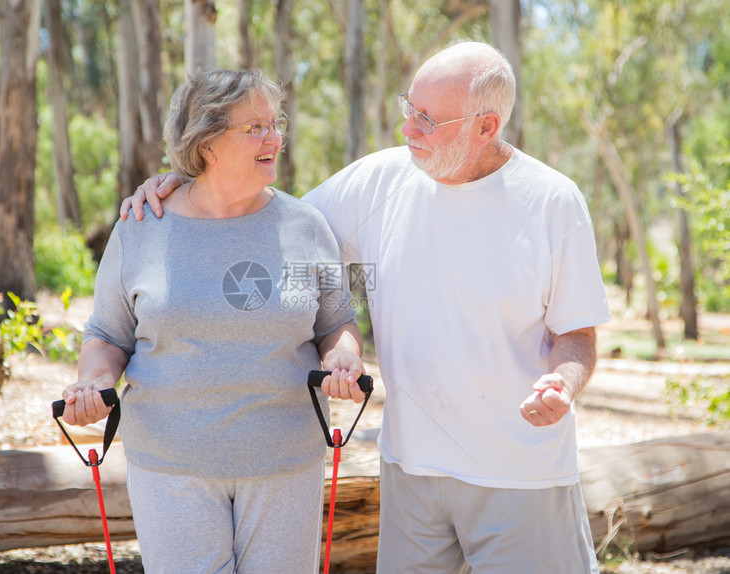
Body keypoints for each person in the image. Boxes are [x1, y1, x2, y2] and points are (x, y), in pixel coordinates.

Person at [123, 40, 611, 574]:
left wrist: (562, 383)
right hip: (410, 473)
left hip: (521, 475)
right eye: (409, 109)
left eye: (427, 119)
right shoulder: (379, 179)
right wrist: (184, 185)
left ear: (486, 127)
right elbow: (262, 219)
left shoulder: (552, 201)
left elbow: (577, 335)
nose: (408, 130)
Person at [61, 68, 365, 574]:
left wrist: (345, 358)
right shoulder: (141, 226)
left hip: (286, 461)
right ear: (206, 142)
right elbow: (108, 335)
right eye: (256, 128)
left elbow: (337, 322)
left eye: (277, 123)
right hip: (170, 464)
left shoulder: (305, 226)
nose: (275, 137)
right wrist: (92, 382)